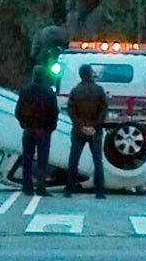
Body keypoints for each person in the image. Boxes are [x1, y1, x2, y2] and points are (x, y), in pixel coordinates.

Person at [15, 66, 59, 196]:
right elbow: (54, 111)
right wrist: (51, 127)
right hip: (44, 130)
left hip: (29, 129)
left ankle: (27, 186)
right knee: (42, 160)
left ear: (34, 75)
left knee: (27, 159)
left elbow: (18, 111)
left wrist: (24, 124)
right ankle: (41, 187)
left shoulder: (25, 91)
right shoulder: (49, 92)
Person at [65, 64, 107, 199]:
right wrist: (94, 126)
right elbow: (103, 110)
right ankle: (99, 191)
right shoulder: (99, 90)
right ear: (90, 74)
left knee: (74, 159)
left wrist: (81, 126)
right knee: (97, 161)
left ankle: (69, 189)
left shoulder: (75, 91)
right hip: (95, 131)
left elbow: (71, 111)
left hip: (79, 131)